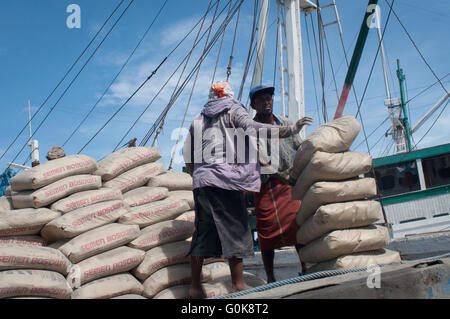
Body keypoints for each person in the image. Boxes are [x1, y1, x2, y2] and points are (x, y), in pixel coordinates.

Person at [183, 81, 309, 298]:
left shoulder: (198, 118)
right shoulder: (234, 111)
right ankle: (238, 284)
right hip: (224, 181)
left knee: (202, 234)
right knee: (236, 230)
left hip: (202, 184)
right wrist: (291, 129)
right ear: (230, 97)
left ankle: (195, 287)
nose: (266, 101)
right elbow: (255, 129)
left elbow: (188, 155)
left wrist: (198, 175)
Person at [250, 85, 313, 282]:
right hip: (265, 186)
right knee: (266, 232)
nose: (266, 101)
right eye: (261, 99)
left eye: (269, 98)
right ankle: (270, 277)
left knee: (297, 225)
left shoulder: (285, 122)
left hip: (289, 183)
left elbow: (298, 145)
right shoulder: (251, 129)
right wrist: (277, 174)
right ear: (253, 105)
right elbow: (258, 160)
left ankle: (306, 267)